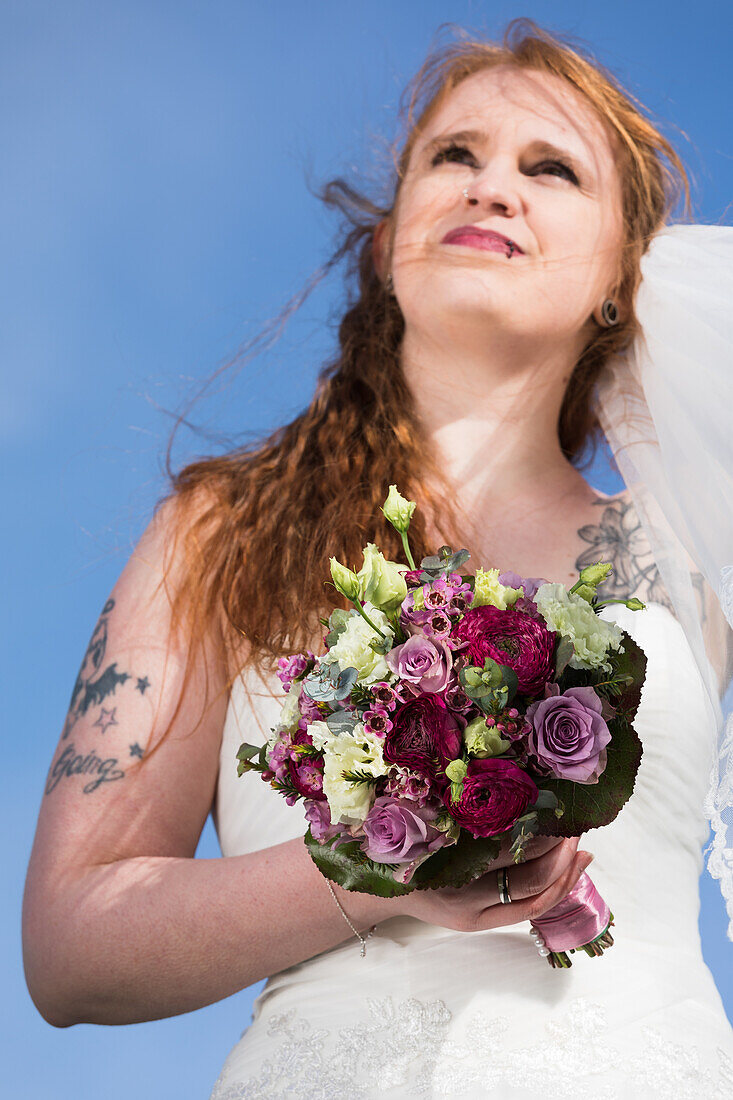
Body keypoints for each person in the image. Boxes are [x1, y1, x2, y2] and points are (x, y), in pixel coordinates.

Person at [22, 18, 733, 1098]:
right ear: (387, 231)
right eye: (454, 155)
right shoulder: (222, 530)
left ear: (618, 277)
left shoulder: (697, 540)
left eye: (550, 170)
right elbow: (72, 943)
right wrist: (383, 869)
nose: (493, 188)